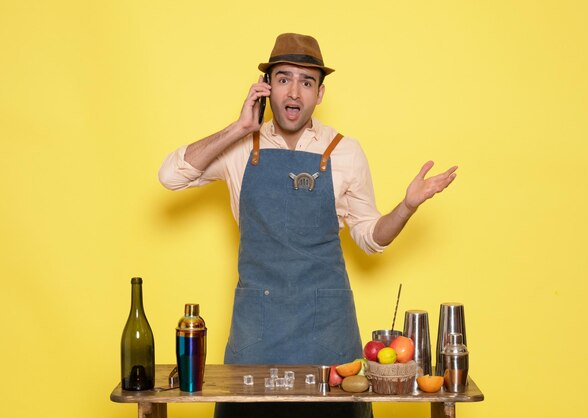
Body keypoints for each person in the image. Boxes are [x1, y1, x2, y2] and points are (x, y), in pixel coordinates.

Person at [158, 33, 457, 418]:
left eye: (306, 81)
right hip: (257, 330)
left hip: (327, 330)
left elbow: (369, 237)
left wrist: (407, 206)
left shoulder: (345, 151)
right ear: (267, 87)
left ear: (320, 93)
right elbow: (170, 175)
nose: (294, 92)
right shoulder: (239, 148)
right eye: (283, 79)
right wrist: (238, 127)